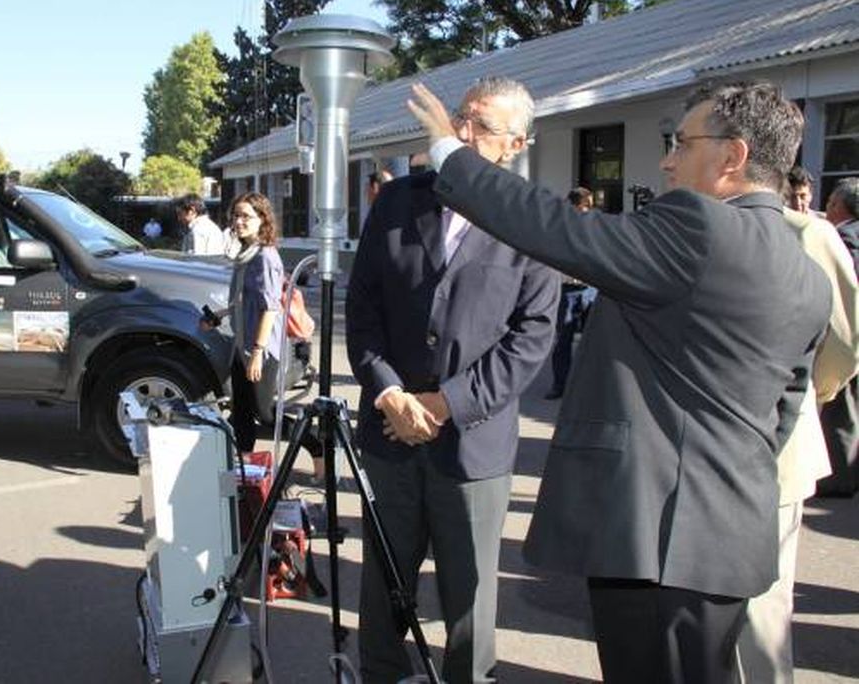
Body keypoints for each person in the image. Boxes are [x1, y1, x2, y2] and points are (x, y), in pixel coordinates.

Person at [407, 79, 831, 683]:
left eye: (681, 143)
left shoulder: (697, 227)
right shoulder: (807, 271)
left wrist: (452, 154)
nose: (667, 161)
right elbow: (783, 410)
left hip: (657, 540)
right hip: (730, 536)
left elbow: (562, 231)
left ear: (733, 156)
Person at [346, 77, 560, 684]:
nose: (462, 133)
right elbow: (362, 309)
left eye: (481, 126)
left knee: (470, 601)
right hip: (390, 433)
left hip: (473, 444)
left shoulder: (533, 219)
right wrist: (389, 392)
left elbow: (532, 337)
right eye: (461, 117)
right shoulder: (397, 201)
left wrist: (445, 404)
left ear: (516, 144)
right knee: (383, 586)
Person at [736, 202, 858, 683]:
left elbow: (844, 338)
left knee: (759, 604)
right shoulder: (682, 222)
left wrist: (811, 393)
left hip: (774, 444)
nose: (668, 165)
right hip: (694, 450)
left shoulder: (806, 233)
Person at [199, 192, 322, 474]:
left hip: (261, 350)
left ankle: (315, 445)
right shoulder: (247, 254)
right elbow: (245, 301)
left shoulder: (265, 257)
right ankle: (244, 472)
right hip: (242, 347)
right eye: (236, 215)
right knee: (241, 412)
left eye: (246, 216)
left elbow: (270, 308)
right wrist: (218, 317)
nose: (239, 221)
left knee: (265, 414)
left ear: (262, 220)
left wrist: (257, 352)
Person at [817, 177, 859, 497]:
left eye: (830, 203)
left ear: (839, 206)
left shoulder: (843, 240)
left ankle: (839, 477)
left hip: (846, 332)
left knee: (840, 407)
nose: (826, 208)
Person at [545, 186, 598, 400]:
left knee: (593, 341)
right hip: (568, 290)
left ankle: (589, 387)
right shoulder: (559, 229)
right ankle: (560, 385)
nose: (590, 209)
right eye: (587, 205)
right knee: (563, 340)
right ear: (575, 206)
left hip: (590, 290)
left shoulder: (593, 227)